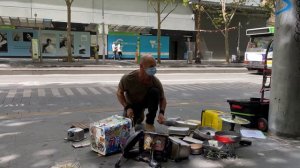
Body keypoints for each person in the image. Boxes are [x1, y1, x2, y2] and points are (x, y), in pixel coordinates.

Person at [116, 55, 167, 132]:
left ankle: (149, 123)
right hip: (132, 105)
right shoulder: (128, 78)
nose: (153, 69)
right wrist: (127, 107)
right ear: (141, 66)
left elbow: (162, 98)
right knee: (126, 129)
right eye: (151, 66)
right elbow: (119, 93)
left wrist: (161, 113)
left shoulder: (155, 81)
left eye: (155, 67)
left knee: (155, 92)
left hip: (144, 102)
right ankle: (139, 114)